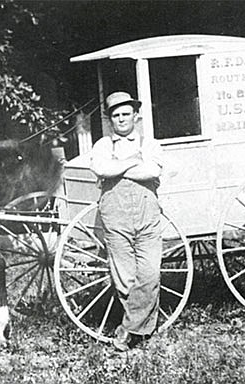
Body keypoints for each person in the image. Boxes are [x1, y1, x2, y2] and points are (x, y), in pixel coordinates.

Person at [90, 91, 164, 352]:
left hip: (147, 215)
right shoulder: (102, 145)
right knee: (124, 278)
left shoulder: (149, 143)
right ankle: (142, 332)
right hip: (115, 215)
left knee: (150, 273)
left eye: (125, 114)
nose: (121, 119)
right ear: (110, 120)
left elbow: (152, 170)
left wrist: (119, 165)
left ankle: (127, 330)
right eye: (116, 115)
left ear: (135, 115)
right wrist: (133, 161)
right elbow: (101, 169)